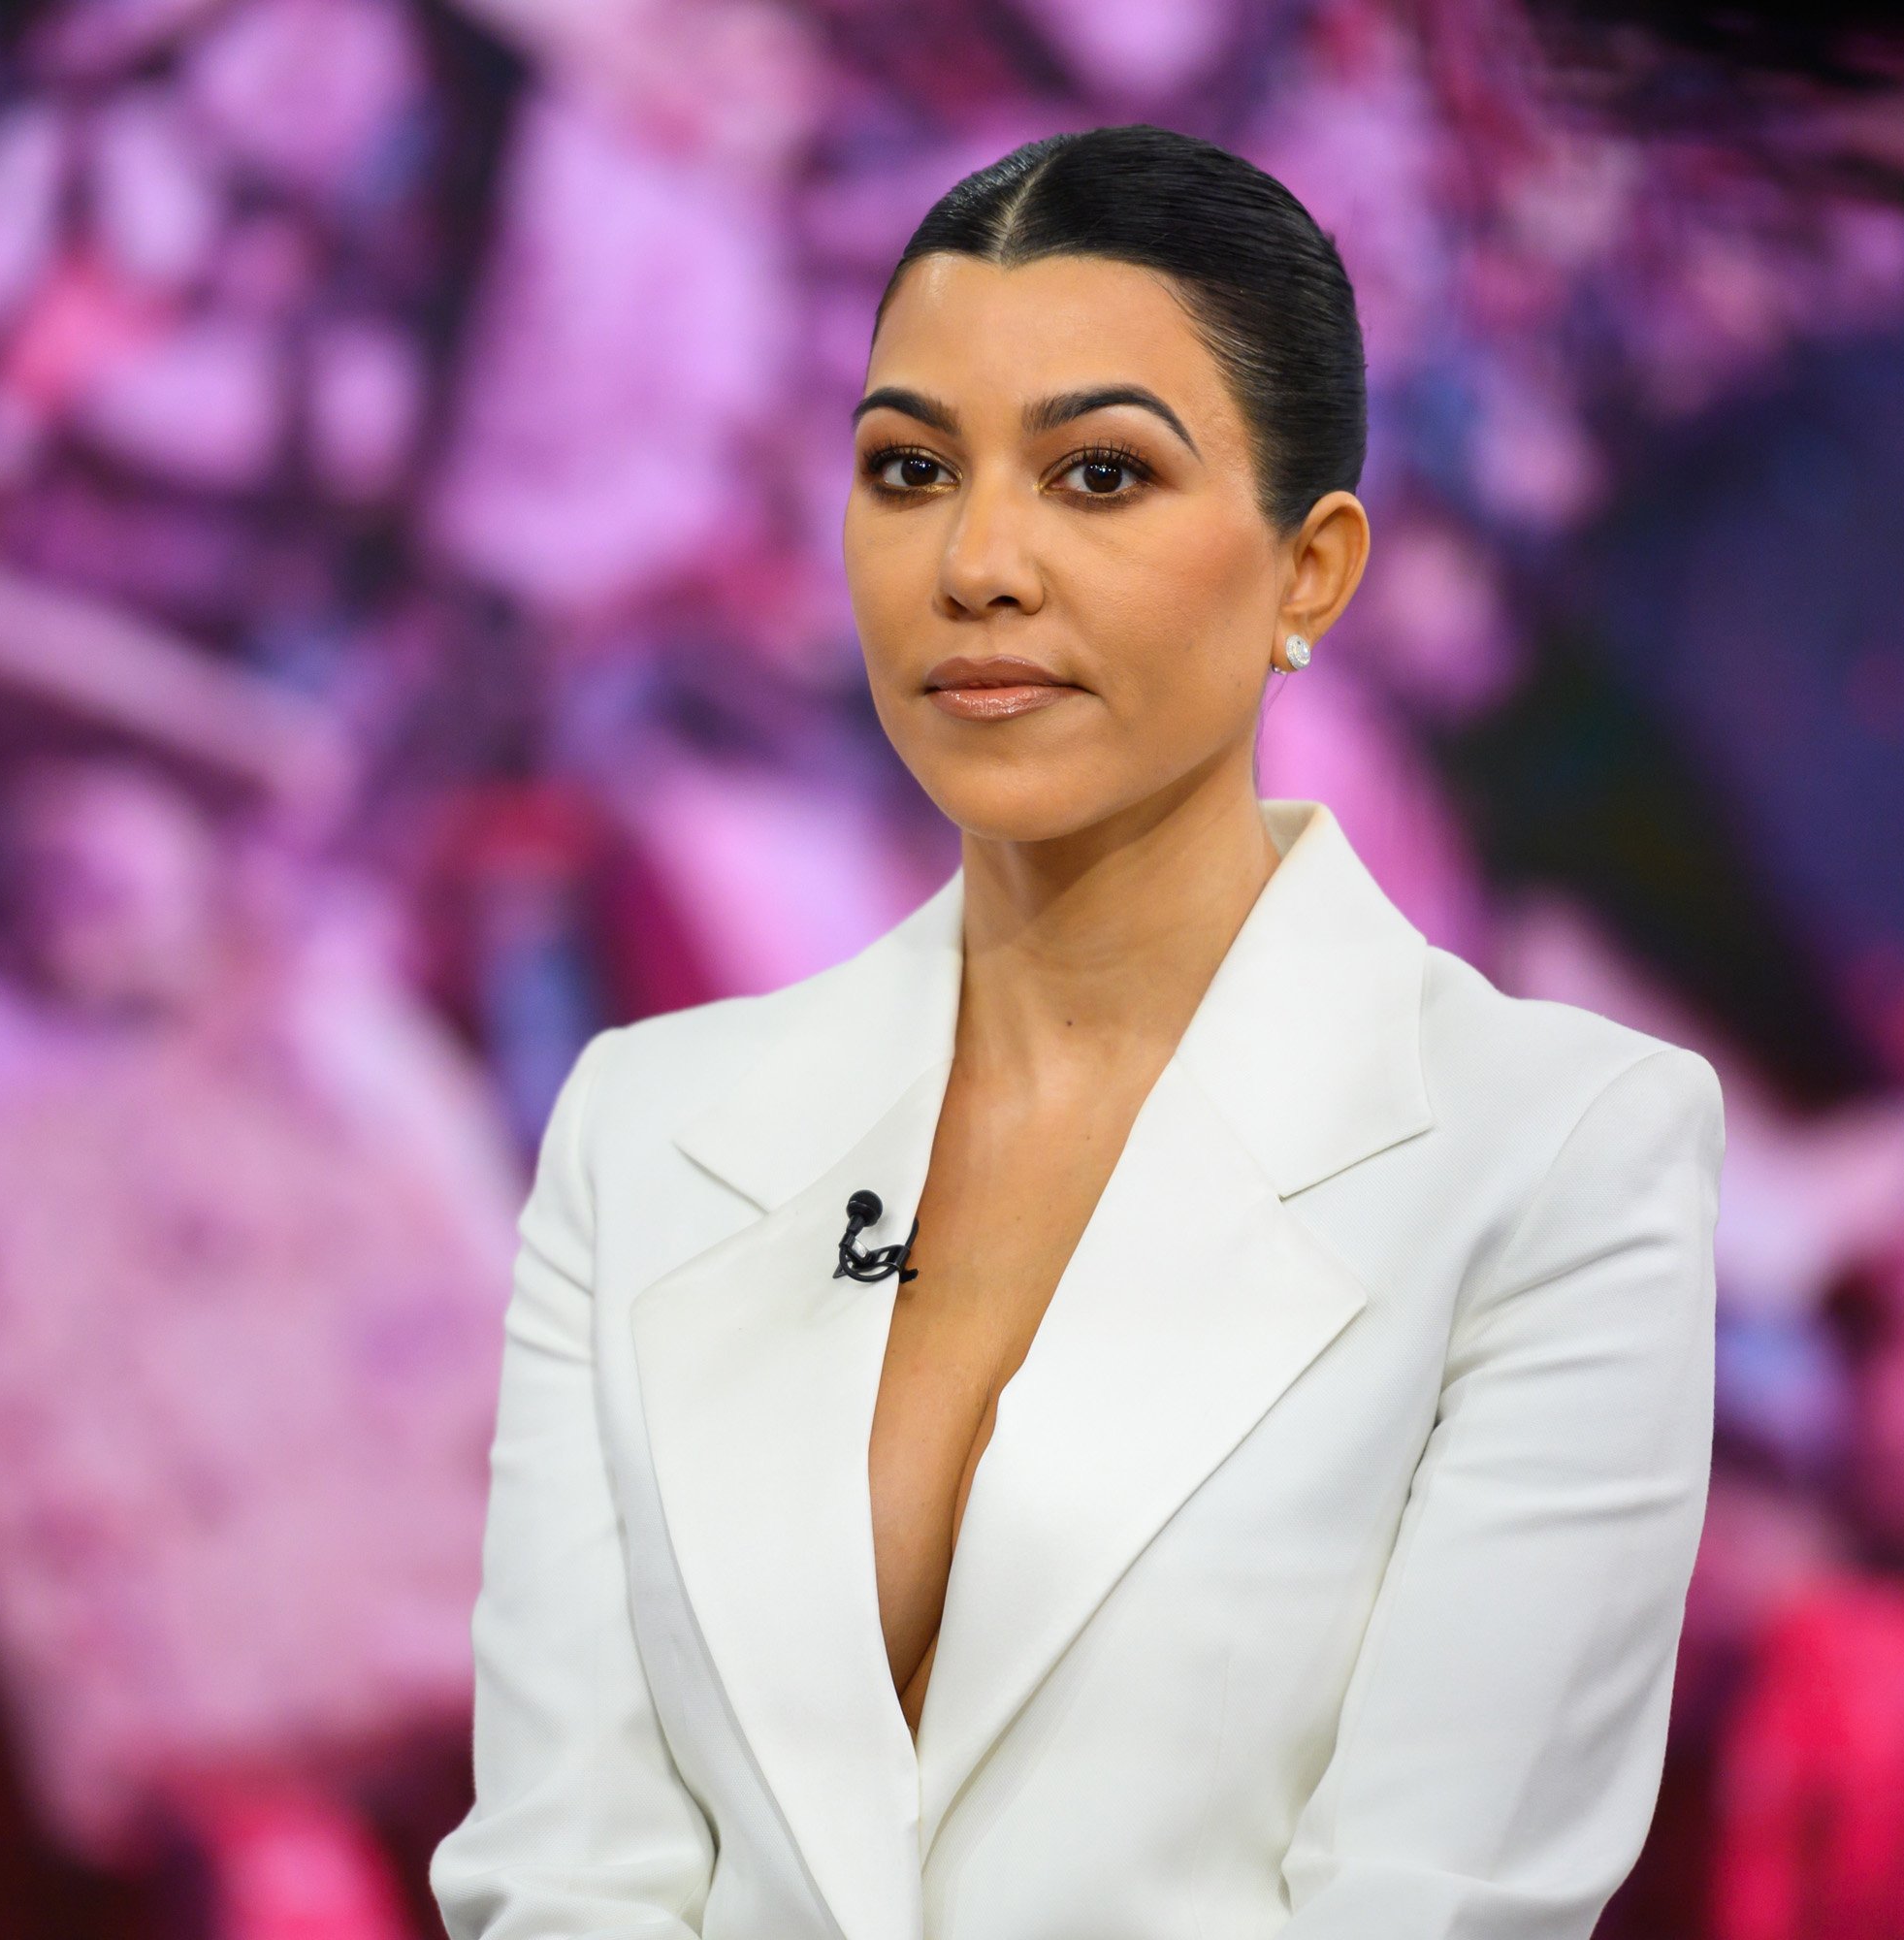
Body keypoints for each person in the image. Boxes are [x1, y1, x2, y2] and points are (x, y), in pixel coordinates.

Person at [431, 123, 1725, 1940]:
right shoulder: (666, 1093)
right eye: (913, 471)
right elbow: (564, 1842)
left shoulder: (1561, 1169)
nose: (987, 562)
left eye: (1102, 478)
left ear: (1307, 571)